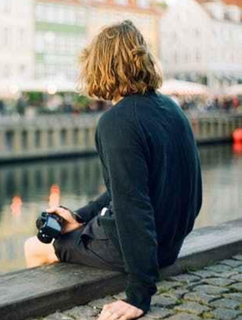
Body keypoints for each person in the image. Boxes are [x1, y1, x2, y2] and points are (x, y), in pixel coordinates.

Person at [24, 20, 202, 320]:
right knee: (74, 228)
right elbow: (135, 190)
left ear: (99, 66)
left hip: (142, 248)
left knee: (35, 246)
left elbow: (134, 207)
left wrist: (139, 295)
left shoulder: (117, 122)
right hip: (171, 243)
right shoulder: (172, 109)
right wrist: (80, 216)